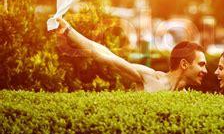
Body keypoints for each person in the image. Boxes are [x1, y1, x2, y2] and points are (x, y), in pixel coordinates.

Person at [56, 18, 208, 92]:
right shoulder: (151, 78)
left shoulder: (185, 98)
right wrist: (68, 30)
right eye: (201, 64)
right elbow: (108, 58)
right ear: (184, 64)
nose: (205, 71)